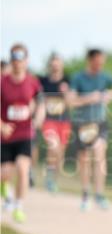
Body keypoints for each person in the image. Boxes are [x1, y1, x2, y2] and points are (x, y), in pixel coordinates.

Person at [65, 48, 112, 210]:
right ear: (90, 60)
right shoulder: (78, 78)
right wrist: (89, 98)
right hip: (82, 123)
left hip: (99, 122)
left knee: (99, 154)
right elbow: (70, 101)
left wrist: (110, 95)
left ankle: (100, 194)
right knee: (84, 159)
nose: (100, 65)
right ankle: (85, 194)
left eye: (102, 62)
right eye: (97, 62)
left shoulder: (105, 76)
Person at [1, 44, 44, 223]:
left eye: (20, 59)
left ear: (26, 60)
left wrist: (38, 120)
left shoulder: (33, 82)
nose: (17, 63)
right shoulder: (2, 82)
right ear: (11, 60)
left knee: (23, 168)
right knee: (5, 173)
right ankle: (5, 187)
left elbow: (40, 104)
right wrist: (2, 125)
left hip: (25, 133)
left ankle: (18, 206)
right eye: (14, 59)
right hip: (6, 136)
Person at [39, 53, 71, 192]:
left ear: (62, 65)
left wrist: (66, 92)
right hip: (48, 120)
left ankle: (53, 180)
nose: (55, 66)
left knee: (60, 153)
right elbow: (38, 98)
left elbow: (71, 102)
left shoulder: (68, 81)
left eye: (58, 63)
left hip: (64, 121)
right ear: (50, 65)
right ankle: (49, 177)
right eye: (53, 63)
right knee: (53, 147)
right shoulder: (43, 81)